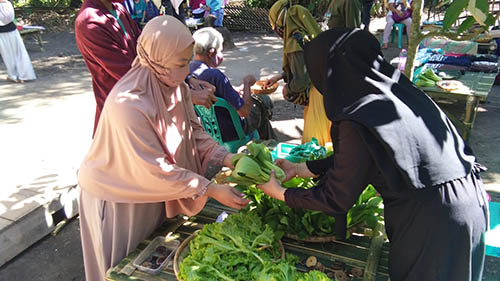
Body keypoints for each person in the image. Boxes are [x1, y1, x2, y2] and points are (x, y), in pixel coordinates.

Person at [258, 28, 489, 281]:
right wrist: (305, 168)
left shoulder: (356, 113)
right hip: (468, 201)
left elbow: (336, 198)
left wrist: (279, 192)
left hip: (433, 221)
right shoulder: (393, 91)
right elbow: (367, 154)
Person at [78, 16, 250, 281]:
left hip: (156, 189)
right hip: (121, 199)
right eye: (181, 64)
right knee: (127, 267)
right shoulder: (129, 105)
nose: (187, 72)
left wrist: (226, 157)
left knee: (152, 256)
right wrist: (210, 189)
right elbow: (154, 170)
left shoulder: (175, 86)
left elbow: (192, 132)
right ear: (157, 60)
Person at [75, 0, 214, 137]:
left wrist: (187, 79)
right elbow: (130, 74)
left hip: (148, 110)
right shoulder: (89, 23)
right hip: (124, 116)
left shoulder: (119, 9)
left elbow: (149, 54)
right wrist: (186, 95)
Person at [190, 27, 276, 141]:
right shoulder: (215, 75)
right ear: (211, 52)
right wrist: (247, 84)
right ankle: (270, 142)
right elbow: (244, 112)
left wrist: (234, 89)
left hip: (209, 128)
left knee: (261, 110)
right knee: (262, 102)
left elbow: (222, 93)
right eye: (219, 51)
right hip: (231, 130)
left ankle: (268, 140)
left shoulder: (188, 70)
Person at [266, 0, 331, 146]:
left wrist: (287, 89)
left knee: (317, 143)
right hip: (329, 88)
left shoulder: (294, 42)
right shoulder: (309, 33)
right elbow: (307, 65)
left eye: (274, 26)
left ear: (281, 21)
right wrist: (280, 77)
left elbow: (301, 79)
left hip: (317, 95)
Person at [0, 0, 36, 83]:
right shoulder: (7, 4)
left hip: (8, 31)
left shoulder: (6, 4)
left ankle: (18, 75)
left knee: (10, 54)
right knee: (16, 53)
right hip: (9, 31)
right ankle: (18, 75)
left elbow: (9, 18)